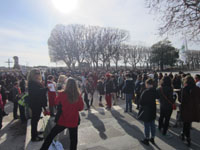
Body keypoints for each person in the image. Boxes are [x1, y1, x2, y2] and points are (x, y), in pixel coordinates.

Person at [40, 78, 84, 150]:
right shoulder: (78, 96)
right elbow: (80, 108)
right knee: (73, 139)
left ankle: (43, 148)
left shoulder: (61, 94)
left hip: (63, 119)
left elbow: (56, 102)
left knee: (51, 135)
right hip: (73, 120)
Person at [28, 69, 48, 142]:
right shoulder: (32, 82)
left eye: (39, 73)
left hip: (37, 103)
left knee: (36, 119)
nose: (38, 74)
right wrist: (46, 89)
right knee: (34, 120)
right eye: (36, 73)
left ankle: (35, 132)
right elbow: (37, 92)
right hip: (35, 103)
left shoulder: (36, 82)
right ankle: (34, 136)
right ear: (33, 74)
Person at [180, 76, 200, 147]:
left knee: (186, 123)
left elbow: (182, 100)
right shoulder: (197, 89)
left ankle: (188, 139)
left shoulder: (184, 89)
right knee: (188, 123)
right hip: (194, 109)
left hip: (186, 108)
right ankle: (183, 134)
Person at [139, 78, 157, 145]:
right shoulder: (155, 90)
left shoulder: (145, 92)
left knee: (147, 125)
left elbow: (141, 102)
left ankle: (146, 139)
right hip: (153, 109)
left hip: (146, 110)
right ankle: (152, 138)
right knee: (152, 125)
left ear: (148, 84)